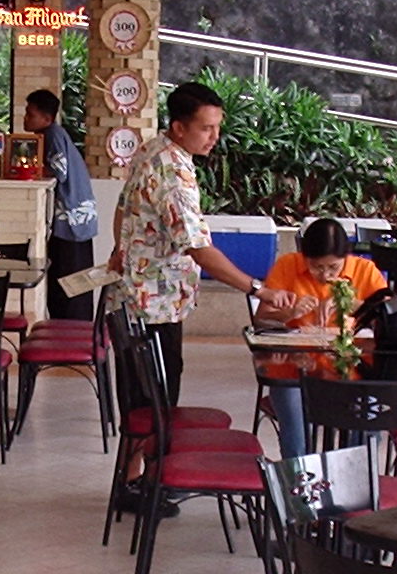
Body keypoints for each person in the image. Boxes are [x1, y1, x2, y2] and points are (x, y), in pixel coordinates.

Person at [107, 80, 280, 512]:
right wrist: (257, 288)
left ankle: (135, 480)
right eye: (206, 128)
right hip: (153, 306)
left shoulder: (154, 149)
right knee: (154, 401)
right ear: (180, 127)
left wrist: (122, 249)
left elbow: (122, 210)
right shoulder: (173, 174)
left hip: (141, 297)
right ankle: (141, 484)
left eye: (217, 127)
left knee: (144, 398)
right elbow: (199, 248)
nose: (214, 137)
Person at [254, 217, 388, 457]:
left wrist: (353, 304)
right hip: (295, 369)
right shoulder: (288, 265)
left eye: (333, 268)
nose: (325, 275)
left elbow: (389, 319)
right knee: (296, 427)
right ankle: (301, 476)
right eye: (317, 267)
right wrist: (290, 313)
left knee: (367, 423)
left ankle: (352, 472)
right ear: (304, 256)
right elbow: (261, 320)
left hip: (350, 367)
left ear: (346, 258)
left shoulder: (364, 270)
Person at [22, 89, 98, 320]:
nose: (25, 118)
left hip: (70, 221)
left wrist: (28, 170)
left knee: (67, 283)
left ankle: (69, 330)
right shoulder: (53, 134)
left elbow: (59, 172)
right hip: (78, 221)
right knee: (75, 282)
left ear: (47, 118)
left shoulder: (52, 135)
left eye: (30, 114)